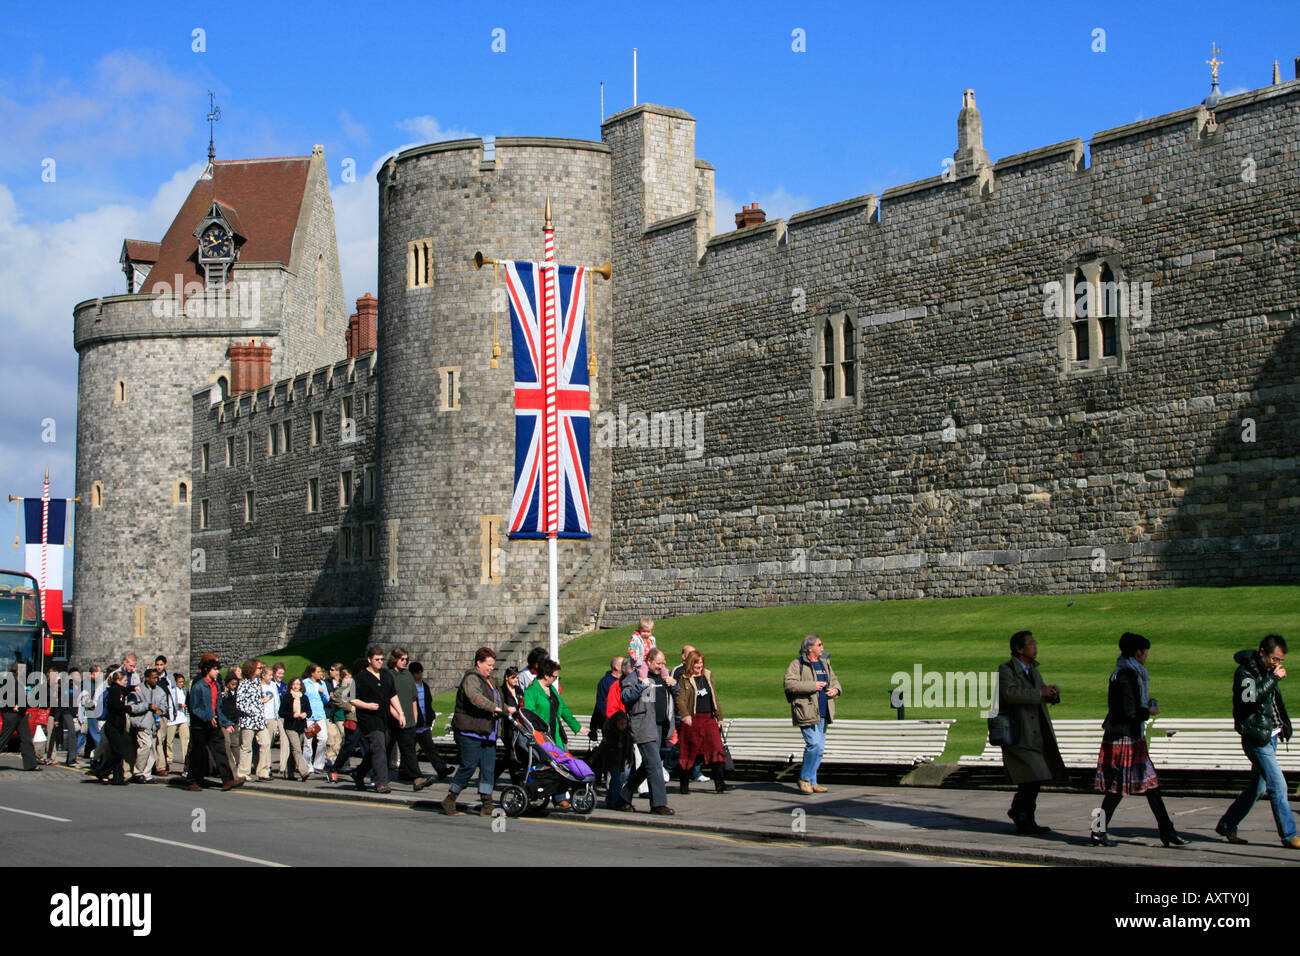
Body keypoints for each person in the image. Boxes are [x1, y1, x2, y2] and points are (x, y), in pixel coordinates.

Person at [1091, 632, 1186, 847]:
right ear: (1138, 652)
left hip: (1127, 736)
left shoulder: (1124, 673)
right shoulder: (1128, 675)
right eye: (1145, 652)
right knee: (1120, 788)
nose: (1147, 657)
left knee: (1147, 785)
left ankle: (1166, 830)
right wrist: (1149, 710)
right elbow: (1130, 711)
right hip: (1126, 737)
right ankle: (1099, 831)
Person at [1215, 634, 1300, 848]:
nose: (1277, 663)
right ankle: (1290, 835)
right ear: (1262, 652)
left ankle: (1228, 824)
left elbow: (1272, 703)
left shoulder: (1265, 671)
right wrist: (1273, 678)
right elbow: (1249, 700)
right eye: (1274, 659)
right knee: (1278, 785)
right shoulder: (1245, 673)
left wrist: (1284, 724)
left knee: (1257, 788)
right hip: (1256, 738)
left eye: (1280, 660)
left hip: (1269, 736)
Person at [998, 630, 1066, 835]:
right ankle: (1021, 814)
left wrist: (1051, 694)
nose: (1035, 647)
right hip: (1020, 732)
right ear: (1019, 649)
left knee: (1036, 777)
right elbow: (1009, 693)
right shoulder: (1005, 669)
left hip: (1037, 732)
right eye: (1031, 644)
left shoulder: (1033, 670)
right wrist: (1039, 693)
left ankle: (1022, 814)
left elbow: (1040, 692)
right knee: (1033, 776)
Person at [440, 647, 510, 816]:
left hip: (488, 732)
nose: (491, 668)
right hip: (470, 731)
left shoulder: (491, 681)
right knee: (469, 765)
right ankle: (450, 798)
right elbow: (475, 698)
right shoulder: (471, 678)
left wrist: (510, 710)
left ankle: (487, 804)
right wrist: (494, 708)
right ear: (478, 663)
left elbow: (498, 702)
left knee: (488, 768)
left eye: (493, 665)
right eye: (488, 665)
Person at [784, 634, 842, 795]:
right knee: (814, 744)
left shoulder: (824, 662)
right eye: (819, 644)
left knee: (820, 748)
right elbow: (789, 684)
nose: (822, 647)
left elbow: (835, 679)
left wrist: (836, 690)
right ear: (809, 648)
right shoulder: (797, 664)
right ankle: (804, 778)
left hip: (824, 711)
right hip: (806, 710)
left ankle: (812, 781)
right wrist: (812, 685)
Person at [619, 657, 674, 815]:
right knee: (655, 764)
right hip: (643, 726)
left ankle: (624, 796)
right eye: (658, 663)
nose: (662, 666)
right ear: (648, 661)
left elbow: (672, 696)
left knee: (648, 765)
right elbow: (626, 697)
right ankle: (658, 804)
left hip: (660, 726)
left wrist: (674, 685)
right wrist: (642, 686)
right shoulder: (634, 677)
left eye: (663, 663)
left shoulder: (663, 677)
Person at [675, 649, 732, 794]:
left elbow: (714, 697)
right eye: (696, 663)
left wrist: (719, 717)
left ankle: (720, 783)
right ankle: (684, 784)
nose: (699, 666)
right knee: (690, 752)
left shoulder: (707, 676)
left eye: (701, 662)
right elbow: (680, 699)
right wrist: (685, 715)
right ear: (690, 663)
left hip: (708, 718)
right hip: (693, 720)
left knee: (716, 749)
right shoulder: (684, 679)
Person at [184, 656, 242, 791]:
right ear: (207, 670)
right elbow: (194, 707)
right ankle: (193, 780)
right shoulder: (198, 686)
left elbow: (218, 707)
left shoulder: (215, 685)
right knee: (198, 753)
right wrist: (208, 717)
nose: (217, 672)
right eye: (215, 669)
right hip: (199, 726)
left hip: (213, 724)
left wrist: (225, 722)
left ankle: (227, 780)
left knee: (220, 750)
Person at [352, 646, 403, 794]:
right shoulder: (361, 678)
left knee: (377, 749)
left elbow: (392, 696)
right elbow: (350, 698)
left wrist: (400, 713)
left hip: (384, 718)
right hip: (368, 719)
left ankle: (359, 773)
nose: (380, 662)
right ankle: (381, 782)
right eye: (377, 659)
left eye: (382, 659)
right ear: (369, 660)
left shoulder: (386, 675)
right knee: (379, 747)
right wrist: (366, 705)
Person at [385, 648, 429, 790]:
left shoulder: (408, 675)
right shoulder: (388, 675)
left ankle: (417, 778)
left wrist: (415, 715)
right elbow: (386, 699)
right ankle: (364, 773)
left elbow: (413, 697)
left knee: (409, 749)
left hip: (408, 719)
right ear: (394, 659)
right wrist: (397, 715)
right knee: (384, 748)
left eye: (406, 659)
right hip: (391, 720)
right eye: (402, 659)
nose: (405, 662)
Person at [410, 661, 452, 779]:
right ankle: (405, 770)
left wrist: (430, 715)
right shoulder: (409, 686)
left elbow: (428, 703)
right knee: (409, 750)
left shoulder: (424, 686)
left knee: (430, 748)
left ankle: (441, 768)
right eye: (418, 673)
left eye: (421, 672)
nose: (420, 675)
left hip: (424, 724)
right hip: (413, 724)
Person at [98, 669, 140, 785]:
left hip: (118, 726)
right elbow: (115, 706)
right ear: (118, 681)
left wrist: (133, 688)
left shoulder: (120, 689)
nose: (126, 682)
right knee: (118, 752)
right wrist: (128, 708)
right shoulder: (114, 691)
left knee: (118, 752)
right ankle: (102, 771)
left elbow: (125, 690)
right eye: (125, 680)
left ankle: (118, 778)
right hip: (113, 726)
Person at [129, 667, 169, 782]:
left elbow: (164, 706)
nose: (156, 680)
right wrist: (147, 706)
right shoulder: (138, 690)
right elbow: (133, 707)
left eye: (157, 678)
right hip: (141, 723)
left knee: (152, 750)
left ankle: (146, 774)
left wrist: (161, 710)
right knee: (145, 746)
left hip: (154, 725)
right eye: (153, 678)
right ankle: (138, 772)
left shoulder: (160, 691)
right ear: (147, 678)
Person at [0, 662, 40, 771]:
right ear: (17, 670)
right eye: (23, 669)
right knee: (3, 739)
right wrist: (11, 705)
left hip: (21, 715)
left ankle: (31, 764)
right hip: (11, 714)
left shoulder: (21, 682)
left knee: (26, 739)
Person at [235, 660, 269, 781]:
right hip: (248, 720)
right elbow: (239, 703)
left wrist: (262, 702)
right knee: (246, 747)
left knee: (265, 743)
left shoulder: (257, 683)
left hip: (259, 720)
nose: (260, 670)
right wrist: (252, 710)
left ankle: (263, 771)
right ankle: (243, 772)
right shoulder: (243, 684)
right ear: (252, 669)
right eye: (259, 668)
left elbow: (258, 700)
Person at [279, 677, 315, 781]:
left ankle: (289, 773)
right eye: (294, 684)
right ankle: (304, 771)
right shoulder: (287, 697)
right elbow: (281, 712)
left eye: (298, 684)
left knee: (293, 750)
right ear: (291, 685)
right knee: (297, 749)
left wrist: (305, 714)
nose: (296, 686)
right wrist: (292, 715)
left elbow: (309, 711)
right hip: (290, 726)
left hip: (301, 726)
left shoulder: (304, 698)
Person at [301, 664, 331, 773]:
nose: (320, 674)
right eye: (318, 672)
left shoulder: (322, 684)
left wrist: (323, 693)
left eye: (321, 672)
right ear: (312, 673)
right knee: (308, 741)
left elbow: (326, 700)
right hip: (309, 715)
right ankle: (307, 765)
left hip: (320, 714)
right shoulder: (305, 683)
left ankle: (318, 764)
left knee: (323, 738)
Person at [496, 666, 524, 784]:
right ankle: (516, 783)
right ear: (507, 677)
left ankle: (492, 777)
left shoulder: (519, 691)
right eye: (513, 678)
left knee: (510, 755)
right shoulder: (502, 692)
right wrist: (508, 709)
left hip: (518, 725)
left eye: (517, 678)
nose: (515, 680)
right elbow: (500, 706)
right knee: (512, 753)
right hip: (507, 726)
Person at [257, 665, 281, 780]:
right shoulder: (258, 686)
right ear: (263, 675)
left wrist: (277, 716)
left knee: (269, 743)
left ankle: (266, 766)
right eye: (269, 675)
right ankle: (263, 767)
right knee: (263, 744)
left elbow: (276, 700)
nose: (271, 678)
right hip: (262, 717)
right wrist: (262, 701)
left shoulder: (273, 685)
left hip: (272, 717)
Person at [166, 674, 190, 774]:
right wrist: (179, 705)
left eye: (182, 682)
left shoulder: (184, 690)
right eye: (179, 682)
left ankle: (186, 758)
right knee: (169, 740)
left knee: (186, 738)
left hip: (182, 717)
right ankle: (169, 757)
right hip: (173, 718)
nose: (181, 684)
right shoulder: (172, 690)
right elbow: (171, 702)